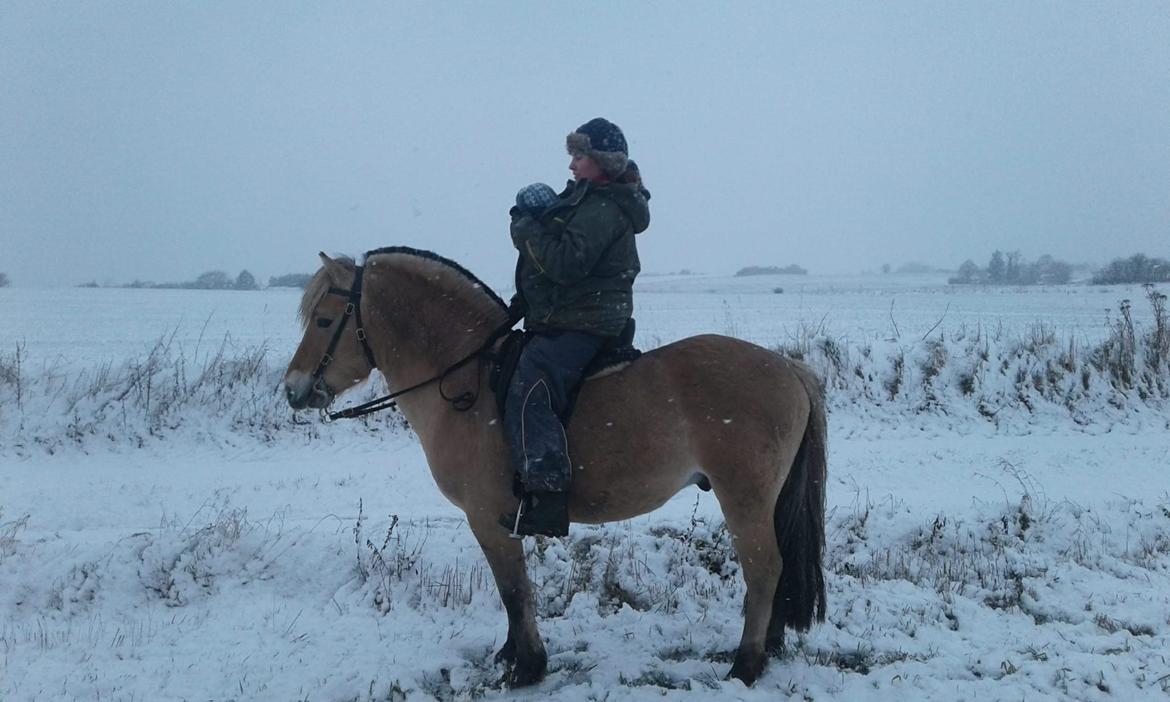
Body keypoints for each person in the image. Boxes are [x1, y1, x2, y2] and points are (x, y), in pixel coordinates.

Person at [501, 118, 651, 537]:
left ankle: (548, 497)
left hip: (587, 322)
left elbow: (566, 266)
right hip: (566, 315)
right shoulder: (588, 199)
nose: (571, 166)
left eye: (578, 156)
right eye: (572, 156)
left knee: (530, 388)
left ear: (600, 163)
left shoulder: (603, 207)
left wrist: (526, 230)